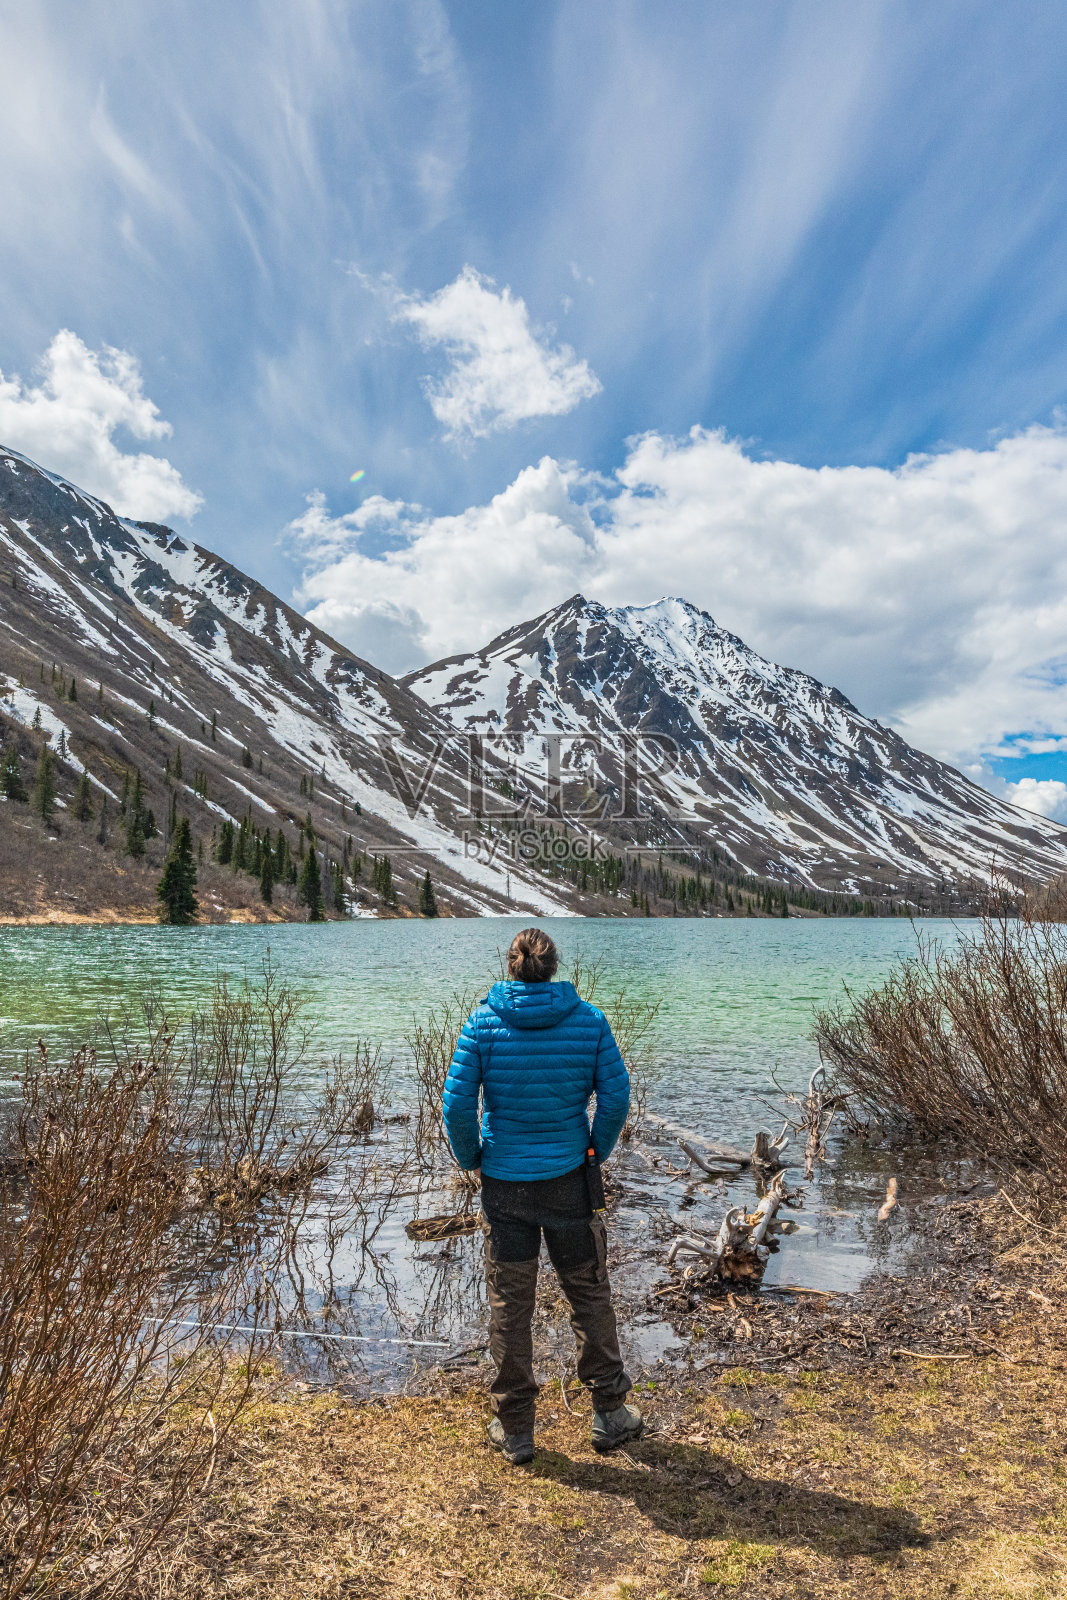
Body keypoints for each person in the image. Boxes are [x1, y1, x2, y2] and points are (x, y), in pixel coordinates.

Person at [442, 927, 642, 1466]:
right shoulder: (589, 1019)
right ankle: (610, 1413)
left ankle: (516, 1430)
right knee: (588, 1292)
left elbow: (457, 1104)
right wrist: (593, 1148)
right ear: (553, 967)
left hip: (505, 1183)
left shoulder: (483, 1023)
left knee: (511, 1302)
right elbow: (617, 1095)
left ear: (512, 966)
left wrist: (473, 1156)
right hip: (568, 1180)